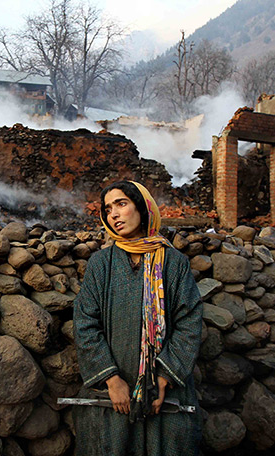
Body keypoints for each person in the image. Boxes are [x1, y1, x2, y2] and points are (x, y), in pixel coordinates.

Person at [73, 180, 203, 456]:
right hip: (115, 393)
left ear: (143, 208)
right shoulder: (101, 264)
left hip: (164, 390)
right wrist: (111, 379)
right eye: (108, 209)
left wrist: (163, 379)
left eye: (122, 204)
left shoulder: (173, 262)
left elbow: (189, 321)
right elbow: (85, 322)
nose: (114, 215)